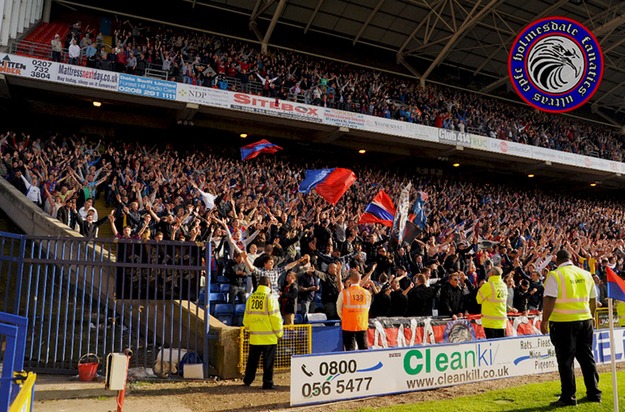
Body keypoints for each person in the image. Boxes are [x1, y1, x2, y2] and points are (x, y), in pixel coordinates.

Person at [540, 250, 602, 407]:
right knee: (587, 358)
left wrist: (544, 320)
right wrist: (592, 316)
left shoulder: (555, 275)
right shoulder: (586, 274)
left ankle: (568, 396)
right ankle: (594, 392)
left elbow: (549, 300)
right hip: (585, 320)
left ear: (557, 260)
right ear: (571, 259)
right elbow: (593, 300)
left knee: (566, 361)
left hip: (563, 322)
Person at [243, 276, 283, 390]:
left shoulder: (251, 298)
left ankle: (248, 379)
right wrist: (279, 334)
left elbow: (247, 316)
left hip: (255, 336)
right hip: (269, 337)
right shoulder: (270, 298)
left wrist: (248, 329)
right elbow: (276, 318)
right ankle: (267, 382)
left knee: (252, 360)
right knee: (268, 362)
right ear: (269, 285)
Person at [336, 270, 371, 351]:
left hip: (348, 324)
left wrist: (344, 317)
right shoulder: (367, 293)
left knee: (350, 349)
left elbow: (338, 308)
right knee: (363, 348)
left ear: (350, 280)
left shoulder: (344, 292)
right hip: (362, 324)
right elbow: (367, 308)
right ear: (360, 280)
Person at [476, 267, 508, 339]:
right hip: (502, 322)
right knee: (500, 345)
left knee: (492, 346)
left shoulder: (487, 286)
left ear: (491, 274)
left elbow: (478, 300)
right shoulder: (504, 285)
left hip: (490, 322)